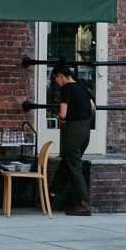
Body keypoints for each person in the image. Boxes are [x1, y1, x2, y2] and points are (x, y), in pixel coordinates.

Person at [49, 62, 94, 216]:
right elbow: (93, 107)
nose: (55, 82)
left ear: (60, 75)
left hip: (74, 130)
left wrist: (56, 113)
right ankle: (53, 193)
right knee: (68, 161)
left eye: (55, 78)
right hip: (86, 130)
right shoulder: (82, 87)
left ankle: (83, 203)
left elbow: (62, 114)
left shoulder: (66, 88)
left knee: (74, 166)